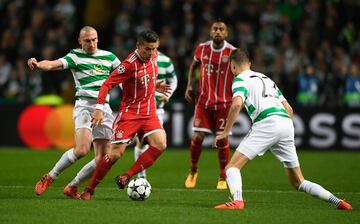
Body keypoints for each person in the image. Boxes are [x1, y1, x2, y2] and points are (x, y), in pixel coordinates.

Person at [213, 48, 352, 210]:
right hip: (285, 124)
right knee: (298, 181)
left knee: (232, 167)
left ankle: (237, 202)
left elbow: (236, 104)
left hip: (266, 122)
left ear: (232, 66)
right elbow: (289, 109)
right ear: (250, 64)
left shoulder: (239, 80)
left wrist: (225, 132)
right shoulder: (267, 79)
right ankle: (338, 202)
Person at [27, 26, 120, 199]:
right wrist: (38, 64)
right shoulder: (75, 56)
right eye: (87, 41)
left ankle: (72, 186)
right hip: (85, 106)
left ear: (98, 39)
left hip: (104, 108)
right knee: (82, 150)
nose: (91, 43)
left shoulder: (110, 57)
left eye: (94, 39)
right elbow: (53, 64)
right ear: (80, 41)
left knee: (103, 158)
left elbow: (125, 76)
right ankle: (50, 176)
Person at [80, 30, 171, 200]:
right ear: (138, 46)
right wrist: (99, 107)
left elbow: (147, 75)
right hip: (129, 114)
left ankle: (127, 176)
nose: (151, 53)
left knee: (160, 144)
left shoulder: (154, 55)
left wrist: (153, 86)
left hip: (149, 113)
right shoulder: (128, 65)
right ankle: (90, 189)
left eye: (153, 49)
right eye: (147, 49)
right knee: (115, 154)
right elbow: (107, 84)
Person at [184, 20, 236, 189]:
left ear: (226, 33)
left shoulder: (233, 52)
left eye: (222, 29)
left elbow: (240, 72)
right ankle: (193, 171)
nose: (218, 32)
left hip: (224, 103)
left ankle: (223, 176)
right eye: (215, 29)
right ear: (210, 32)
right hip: (204, 102)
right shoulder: (202, 48)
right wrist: (190, 85)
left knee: (222, 140)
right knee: (198, 137)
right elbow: (193, 66)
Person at [134, 51, 178, 178]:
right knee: (142, 142)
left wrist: (167, 94)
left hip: (158, 109)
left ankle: (139, 173)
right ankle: (141, 176)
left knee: (155, 144)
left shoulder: (166, 60)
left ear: (157, 44)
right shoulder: (137, 60)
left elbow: (174, 80)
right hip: (141, 108)